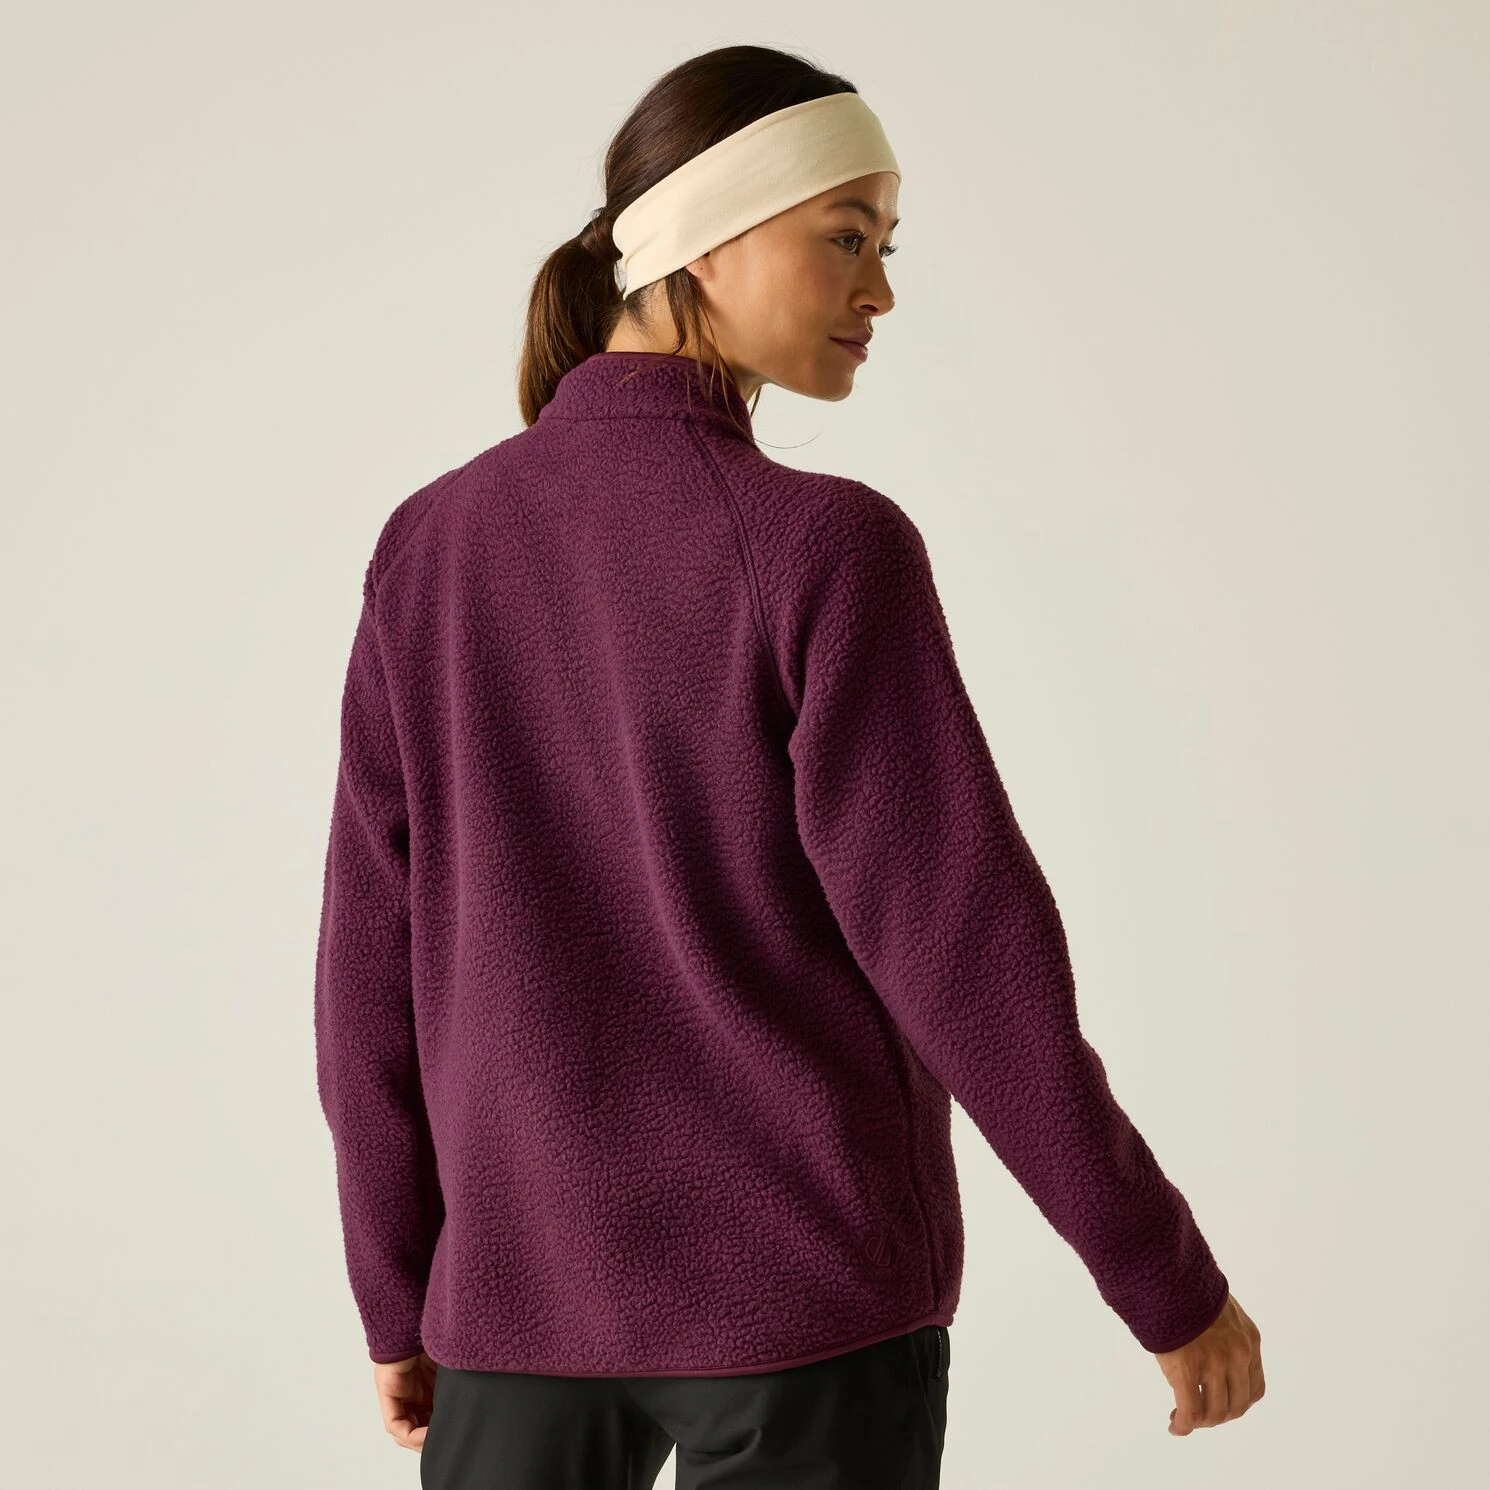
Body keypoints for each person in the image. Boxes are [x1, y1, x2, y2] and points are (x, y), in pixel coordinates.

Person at [312, 43, 1265, 1490]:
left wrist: (398, 1291)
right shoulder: (823, 547)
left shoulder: (432, 544)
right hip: (808, 1302)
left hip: (512, 1313)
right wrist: (1162, 1276)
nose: (880, 291)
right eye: (845, 237)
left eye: (887, 247)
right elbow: (967, 952)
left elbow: (361, 972)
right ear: (703, 237)